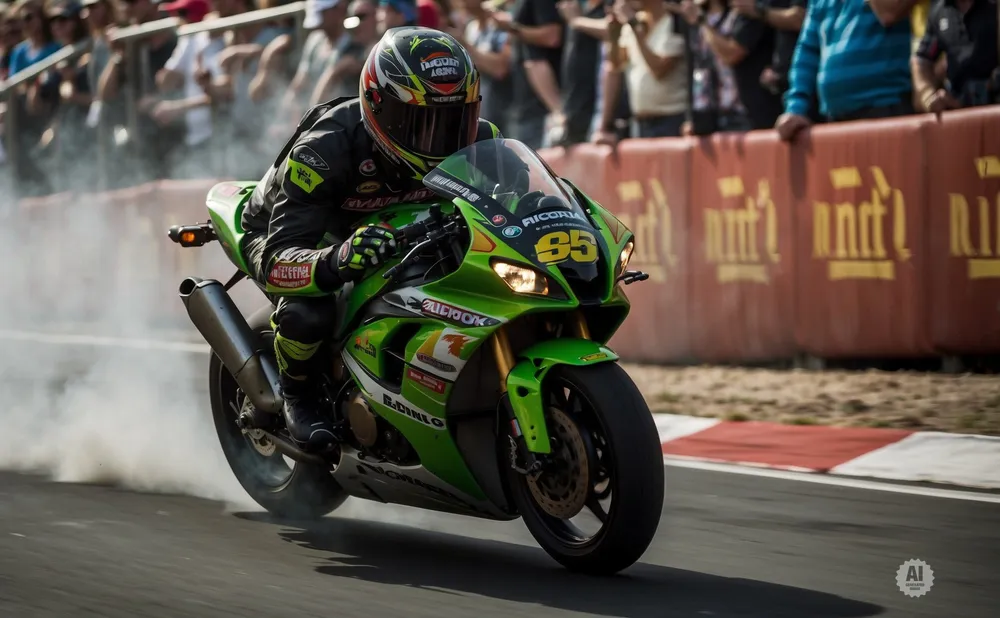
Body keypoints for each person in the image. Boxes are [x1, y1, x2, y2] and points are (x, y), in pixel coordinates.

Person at [240, 27, 503, 451]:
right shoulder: (325, 150)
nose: (442, 138)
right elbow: (277, 261)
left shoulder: (480, 143)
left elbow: (522, 202)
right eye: (423, 122)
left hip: (391, 233)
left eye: (456, 119)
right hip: (286, 234)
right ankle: (298, 393)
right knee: (309, 312)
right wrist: (338, 258)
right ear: (379, 107)